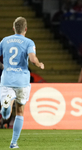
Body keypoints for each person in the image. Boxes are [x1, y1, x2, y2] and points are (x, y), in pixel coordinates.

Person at [0, 16, 44, 148]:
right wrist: (38, 63)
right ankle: (13, 143)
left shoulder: (5, 41)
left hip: (7, 78)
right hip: (22, 80)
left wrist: (2, 65)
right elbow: (32, 58)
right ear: (26, 29)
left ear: (14, 28)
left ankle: (5, 109)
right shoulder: (29, 42)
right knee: (20, 112)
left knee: (6, 113)